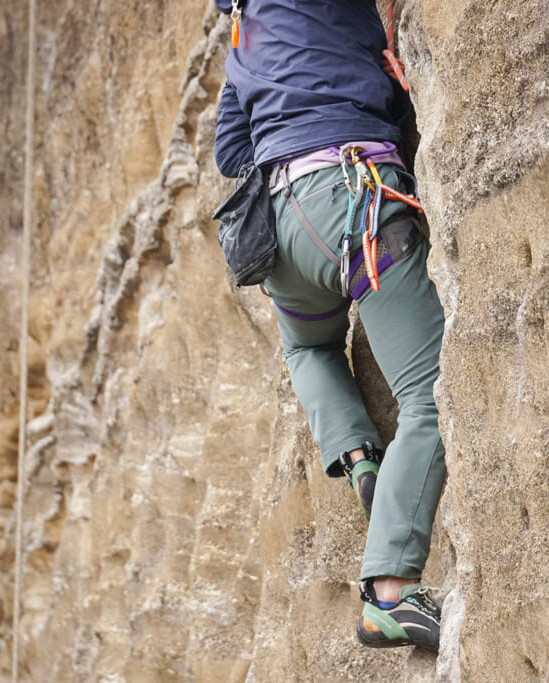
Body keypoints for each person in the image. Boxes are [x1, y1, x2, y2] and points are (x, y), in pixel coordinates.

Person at [213, 0, 447, 652]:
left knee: (308, 346)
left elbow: (231, 149)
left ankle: (355, 450)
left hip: (281, 233)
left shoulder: (244, 34)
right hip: (354, 197)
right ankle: (391, 594)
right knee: (431, 393)